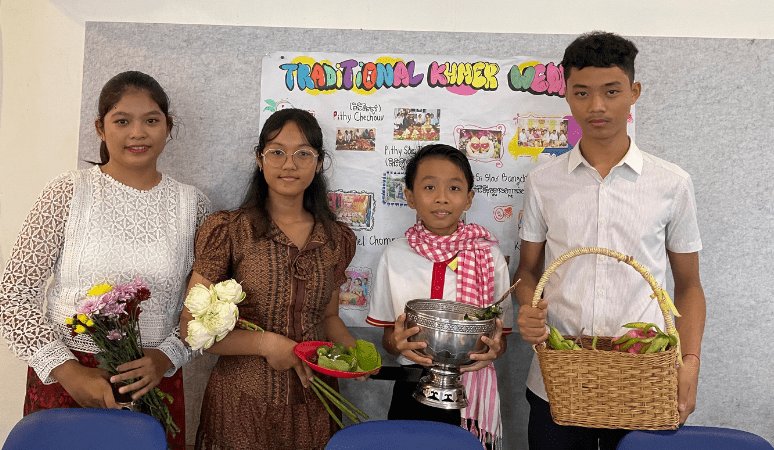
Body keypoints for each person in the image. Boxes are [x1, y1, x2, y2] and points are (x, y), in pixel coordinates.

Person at [515, 31, 706, 450]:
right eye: (582, 92)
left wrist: (689, 363)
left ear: (634, 93)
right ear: (567, 94)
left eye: (612, 91)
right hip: (558, 380)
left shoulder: (671, 183)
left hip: (644, 379)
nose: (597, 106)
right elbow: (527, 271)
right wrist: (528, 309)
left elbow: (689, 285)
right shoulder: (543, 182)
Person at [0, 71, 210, 450]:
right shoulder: (68, 192)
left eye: (151, 120)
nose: (137, 133)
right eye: (122, 121)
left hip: (152, 380)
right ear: (100, 128)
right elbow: (13, 296)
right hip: (67, 379)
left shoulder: (192, 206)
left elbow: (207, 308)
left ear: (168, 126)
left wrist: (167, 357)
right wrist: (68, 372)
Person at [179, 108, 364, 450]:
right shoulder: (230, 230)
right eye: (277, 152)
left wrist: (353, 354)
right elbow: (191, 328)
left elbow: (328, 318)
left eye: (303, 153)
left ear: (319, 162)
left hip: (314, 401)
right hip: (241, 404)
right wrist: (265, 344)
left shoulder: (336, 239)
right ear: (259, 159)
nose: (289, 164)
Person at [367, 144, 511, 449]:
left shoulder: (489, 256)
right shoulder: (394, 256)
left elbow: (500, 341)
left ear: (469, 198)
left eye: (454, 188)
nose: (442, 197)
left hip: (469, 393)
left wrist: (494, 350)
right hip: (410, 388)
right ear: (410, 197)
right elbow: (388, 339)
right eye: (429, 187)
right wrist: (397, 343)